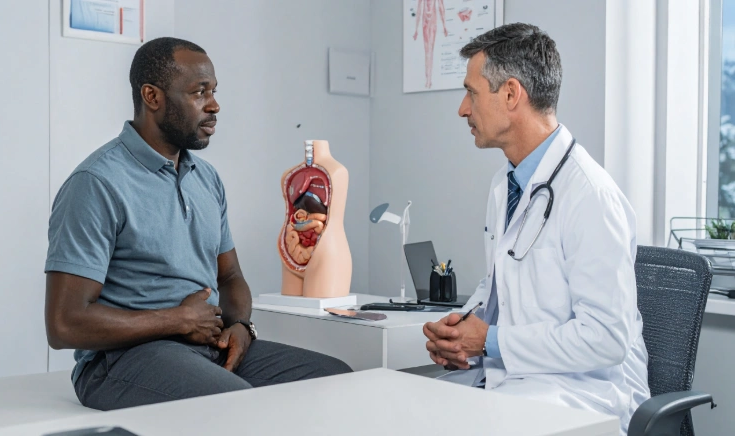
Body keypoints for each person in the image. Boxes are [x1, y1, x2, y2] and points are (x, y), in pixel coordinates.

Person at [44, 37, 351, 410]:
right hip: (120, 360)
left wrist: (241, 327)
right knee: (236, 406)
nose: (215, 104)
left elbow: (231, 277)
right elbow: (64, 324)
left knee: (336, 379)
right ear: (152, 97)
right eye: (199, 92)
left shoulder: (206, 178)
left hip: (205, 345)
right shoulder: (97, 183)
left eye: (214, 91)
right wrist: (176, 320)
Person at [422, 23, 649, 435]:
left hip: (583, 394)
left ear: (511, 94)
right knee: (411, 409)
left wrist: (488, 341)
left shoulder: (590, 195)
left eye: (471, 93)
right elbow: (504, 286)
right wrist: (462, 333)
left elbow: (606, 339)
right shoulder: (505, 184)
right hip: (517, 380)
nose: (462, 109)